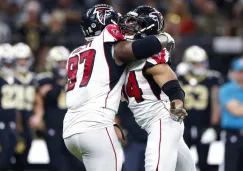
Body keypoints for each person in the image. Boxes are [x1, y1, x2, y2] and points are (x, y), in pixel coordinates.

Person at [63, 4, 175, 171]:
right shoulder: (108, 44)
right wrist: (164, 38)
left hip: (70, 129)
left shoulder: (75, 53)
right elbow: (142, 47)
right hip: (96, 124)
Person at [120, 5, 195, 171]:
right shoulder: (122, 55)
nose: (130, 27)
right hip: (152, 124)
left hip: (162, 120)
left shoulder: (150, 58)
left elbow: (172, 85)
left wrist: (177, 103)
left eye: (136, 24)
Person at [33, 46, 85, 171]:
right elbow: (50, 95)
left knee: (77, 162)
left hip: (72, 124)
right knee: (58, 162)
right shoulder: (45, 78)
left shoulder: (76, 79)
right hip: (53, 124)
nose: (62, 65)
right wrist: (61, 83)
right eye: (59, 62)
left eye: (64, 62)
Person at [178, 45, 223, 171]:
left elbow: (216, 103)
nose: (199, 65)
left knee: (207, 163)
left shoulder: (213, 78)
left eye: (201, 62)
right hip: (184, 125)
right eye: (195, 63)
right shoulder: (180, 77)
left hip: (204, 125)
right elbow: (175, 98)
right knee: (180, 162)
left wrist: (214, 127)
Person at [12, 42, 41, 171]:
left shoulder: (33, 78)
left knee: (27, 148)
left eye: (24, 59)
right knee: (9, 150)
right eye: (19, 59)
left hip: (27, 115)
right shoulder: (8, 78)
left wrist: (38, 116)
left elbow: (38, 100)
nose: (22, 63)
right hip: (11, 116)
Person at [219, 57, 243, 171]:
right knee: (231, 166)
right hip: (233, 133)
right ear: (233, 72)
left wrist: (239, 105)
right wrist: (237, 108)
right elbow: (235, 111)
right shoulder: (226, 89)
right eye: (240, 71)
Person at [115, 101, 147, 171]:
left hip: (151, 143)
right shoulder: (126, 101)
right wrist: (120, 134)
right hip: (132, 143)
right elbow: (116, 118)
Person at [0, 44, 17, 171]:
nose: (9, 66)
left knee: (10, 157)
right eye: (6, 63)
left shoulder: (15, 79)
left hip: (11, 123)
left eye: (11, 63)